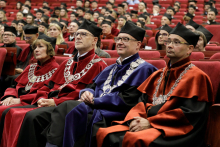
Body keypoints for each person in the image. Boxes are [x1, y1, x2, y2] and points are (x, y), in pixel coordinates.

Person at [96, 22, 213, 147]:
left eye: (176, 42)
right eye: (168, 41)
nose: (170, 46)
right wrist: (134, 119)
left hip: (176, 130)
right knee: (106, 133)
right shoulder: (158, 74)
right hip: (150, 123)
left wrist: (151, 122)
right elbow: (140, 102)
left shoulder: (197, 77)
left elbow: (190, 115)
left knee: (132, 139)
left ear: (190, 49)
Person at [48, 20, 157, 147]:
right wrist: (87, 93)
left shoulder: (145, 69)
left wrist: (95, 101)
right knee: (63, 110)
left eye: (126, 39)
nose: (120, 42)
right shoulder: (111, 68)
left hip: (114, 113)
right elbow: (92, 87)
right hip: (96, 107)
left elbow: (129, 99)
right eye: (118, 39)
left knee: (68, 107)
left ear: (138, 45)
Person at [13, 20, 107, 147]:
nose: (78, 37)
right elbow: (48, 85)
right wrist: (41, 97)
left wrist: (55, 102)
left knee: (32, 117)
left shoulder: (99, 65)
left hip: (67, 107)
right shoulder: (66, 62)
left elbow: (86, 94)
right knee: (14, 112)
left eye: (84, 34)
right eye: (77, 34)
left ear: (94, 40)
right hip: (49, 102)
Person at [0, 33, 60, 147]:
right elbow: (14, 86)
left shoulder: (56, 69)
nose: (36, 50)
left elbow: (47, 93)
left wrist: (20, 99)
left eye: (40, 47)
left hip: (30, 103)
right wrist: (9, 96)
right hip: (15, 100)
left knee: (3, 111)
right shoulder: (31, 67)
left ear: (50, 50)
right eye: (35, 47)